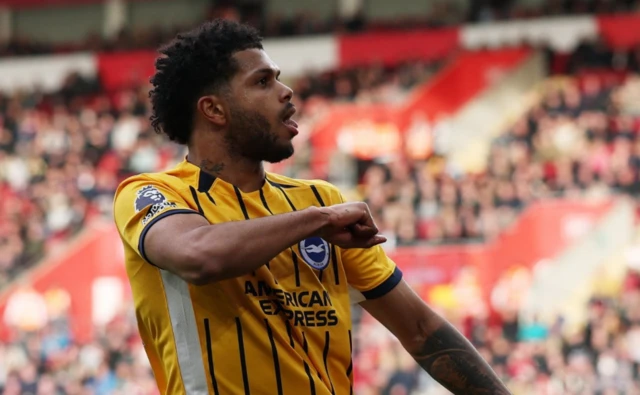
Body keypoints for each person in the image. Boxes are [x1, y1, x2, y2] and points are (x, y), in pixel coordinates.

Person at [112, 19, 511, 395]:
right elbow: (197, 255)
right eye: (263, 81)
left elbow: (421, 329)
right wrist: (316, 222)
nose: (286, 91)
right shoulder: (151, 193)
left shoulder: (321, 199)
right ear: (214, 110)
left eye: (279, 78)